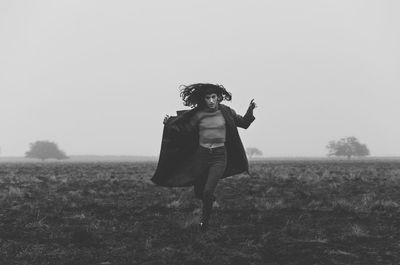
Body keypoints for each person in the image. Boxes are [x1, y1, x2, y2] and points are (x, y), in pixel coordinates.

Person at [152, 83, 256, 231]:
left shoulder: (226, 112)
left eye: (214, 97)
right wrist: (169, 122)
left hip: (219, 158)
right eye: (208, 98)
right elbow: (182, 129)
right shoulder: (198, 114)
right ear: (204, 99)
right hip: (201, 157)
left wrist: (250, 110)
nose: (211, 101)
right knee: (199, 192)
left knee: (207, 191)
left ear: (219, 98)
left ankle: (204, 222)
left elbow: (244, 123)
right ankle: (209, 200)